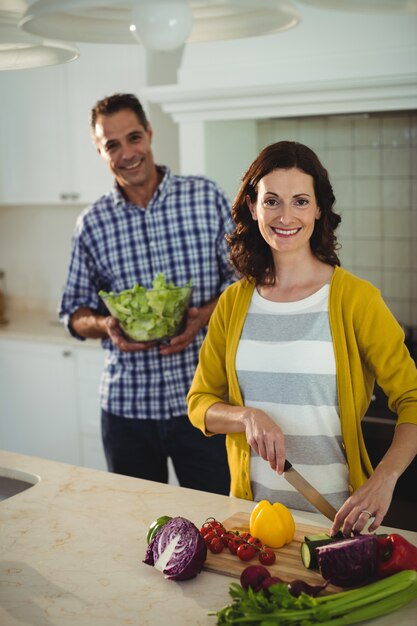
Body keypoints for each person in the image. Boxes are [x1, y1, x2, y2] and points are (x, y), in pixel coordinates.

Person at [187, 140, 417, 535]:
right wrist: (247, 416)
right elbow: (199, 403)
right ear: (253, 208)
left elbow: (412, 399)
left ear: (319, 209)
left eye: (300, 201)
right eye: (272, 201)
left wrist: (384, 477)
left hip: (337, 520)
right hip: (253, 520)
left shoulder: (355, 299)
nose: (285, 215)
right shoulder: (233, 303)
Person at [59, 93, 235, 495]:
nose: (127, 153)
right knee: (135, 532)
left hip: (206, 403)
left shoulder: (205, 197)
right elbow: (72, 312)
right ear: (100, 150)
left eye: (134, 137)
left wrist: (204, 315)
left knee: (220, 521)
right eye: (112, 145)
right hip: (127, 409)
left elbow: (244, 278)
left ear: (150, 134)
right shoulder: (92, 224)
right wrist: (106, 324)